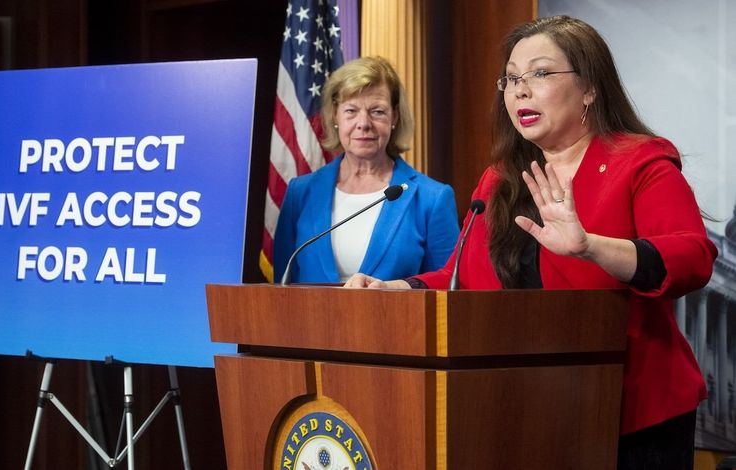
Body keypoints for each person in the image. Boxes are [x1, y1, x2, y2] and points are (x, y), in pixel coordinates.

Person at [344, 16, 717, 469]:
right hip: (528, 406)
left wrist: (591, 246)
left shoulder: (640, 161)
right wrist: (396, 289)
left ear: (590, 88)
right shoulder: (500, 180)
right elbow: (462, 277)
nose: (520, 90)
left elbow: (692, 257)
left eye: (540, 74)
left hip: (631, 412)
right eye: (513, 78)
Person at [273, 56, 459, 284]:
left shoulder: (432, 199)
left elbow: (448, 288)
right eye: (351, 110)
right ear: (335, 115)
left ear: (395, 117)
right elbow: (281, 288)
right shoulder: (299, 194)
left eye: (377, 111)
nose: (363, 123)